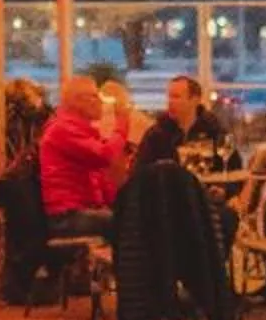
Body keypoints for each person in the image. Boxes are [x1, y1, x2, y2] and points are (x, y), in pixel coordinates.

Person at [37, 74, 128, 238]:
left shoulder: (79, 130)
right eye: (94, 96)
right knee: (129, 224)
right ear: (77, 101)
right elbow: (104, 155)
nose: (100, 102)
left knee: (131, 218)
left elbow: (102, 177)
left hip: (79, 211)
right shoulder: (63, 130)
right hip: (66, 217)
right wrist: (121, 124)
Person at [132, 74, 231, 174]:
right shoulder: (156, 134)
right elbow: (139, 172)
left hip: (206, 187)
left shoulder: (214, 130)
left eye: (176, 97)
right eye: (169, 97)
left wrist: (221, 188)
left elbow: (232, 168)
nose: (170, 102)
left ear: (195, 100)